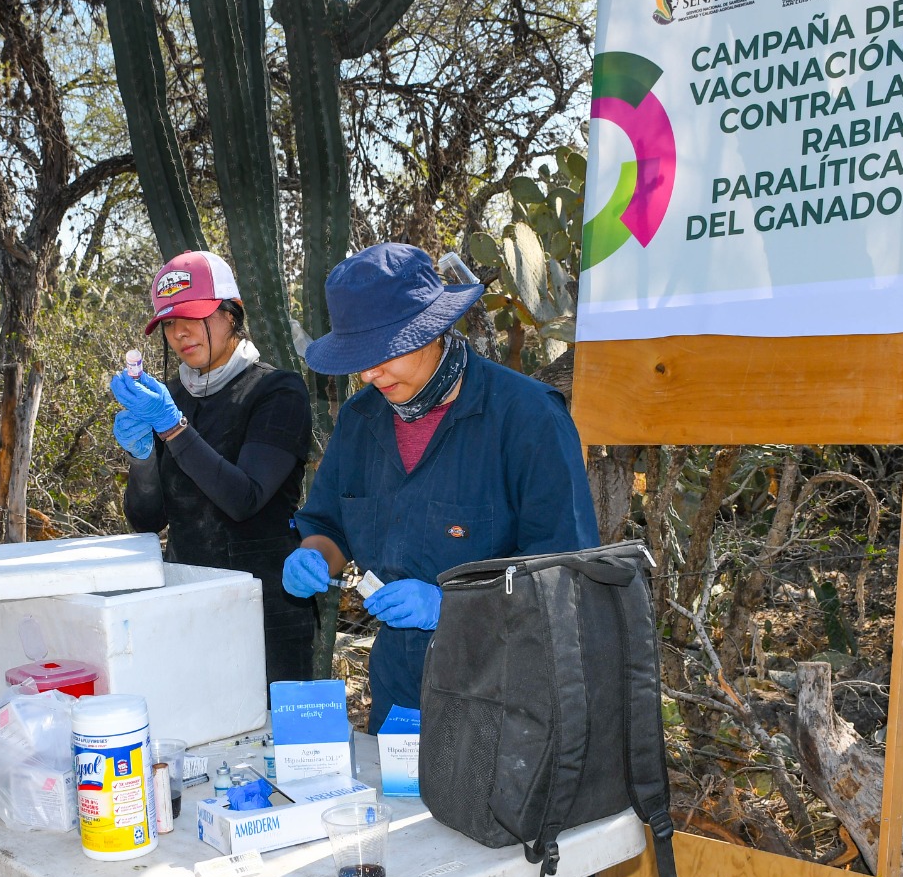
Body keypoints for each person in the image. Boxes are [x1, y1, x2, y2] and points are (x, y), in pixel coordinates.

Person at [282, 242, 599, 727]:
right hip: (400, 690)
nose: (370, 373)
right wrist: (314, 555)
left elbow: (565, 575)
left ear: (433, 329)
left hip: (505, 695)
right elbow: (330, 525)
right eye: (359, 358)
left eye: (384, 351)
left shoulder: (528, 418)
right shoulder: (359, 420)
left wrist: (450, 607)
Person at [111, 250, 316, 683]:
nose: (181, 332)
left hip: (266, 609)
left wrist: (172, 429)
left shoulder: (276, 391)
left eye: (194, 315)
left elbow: (244, 499)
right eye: (169, 322)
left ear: (231, 314)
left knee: (269, 740)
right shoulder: (171, 398)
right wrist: (142, 458)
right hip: (186, 598)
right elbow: (147, 519)